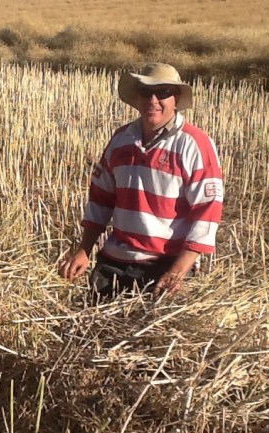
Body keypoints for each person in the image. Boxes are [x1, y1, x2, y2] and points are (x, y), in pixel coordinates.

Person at [59, 63, 223, 298]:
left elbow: (207, 212)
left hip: (165, 265)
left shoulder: (195, 144)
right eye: (146, 92)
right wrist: (83, 250)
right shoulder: (120, 139)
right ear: (137, 97)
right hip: (114, 262)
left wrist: (177, 271)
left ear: (175, 97)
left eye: (163, 92)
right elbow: (101, 198)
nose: (153, 100)